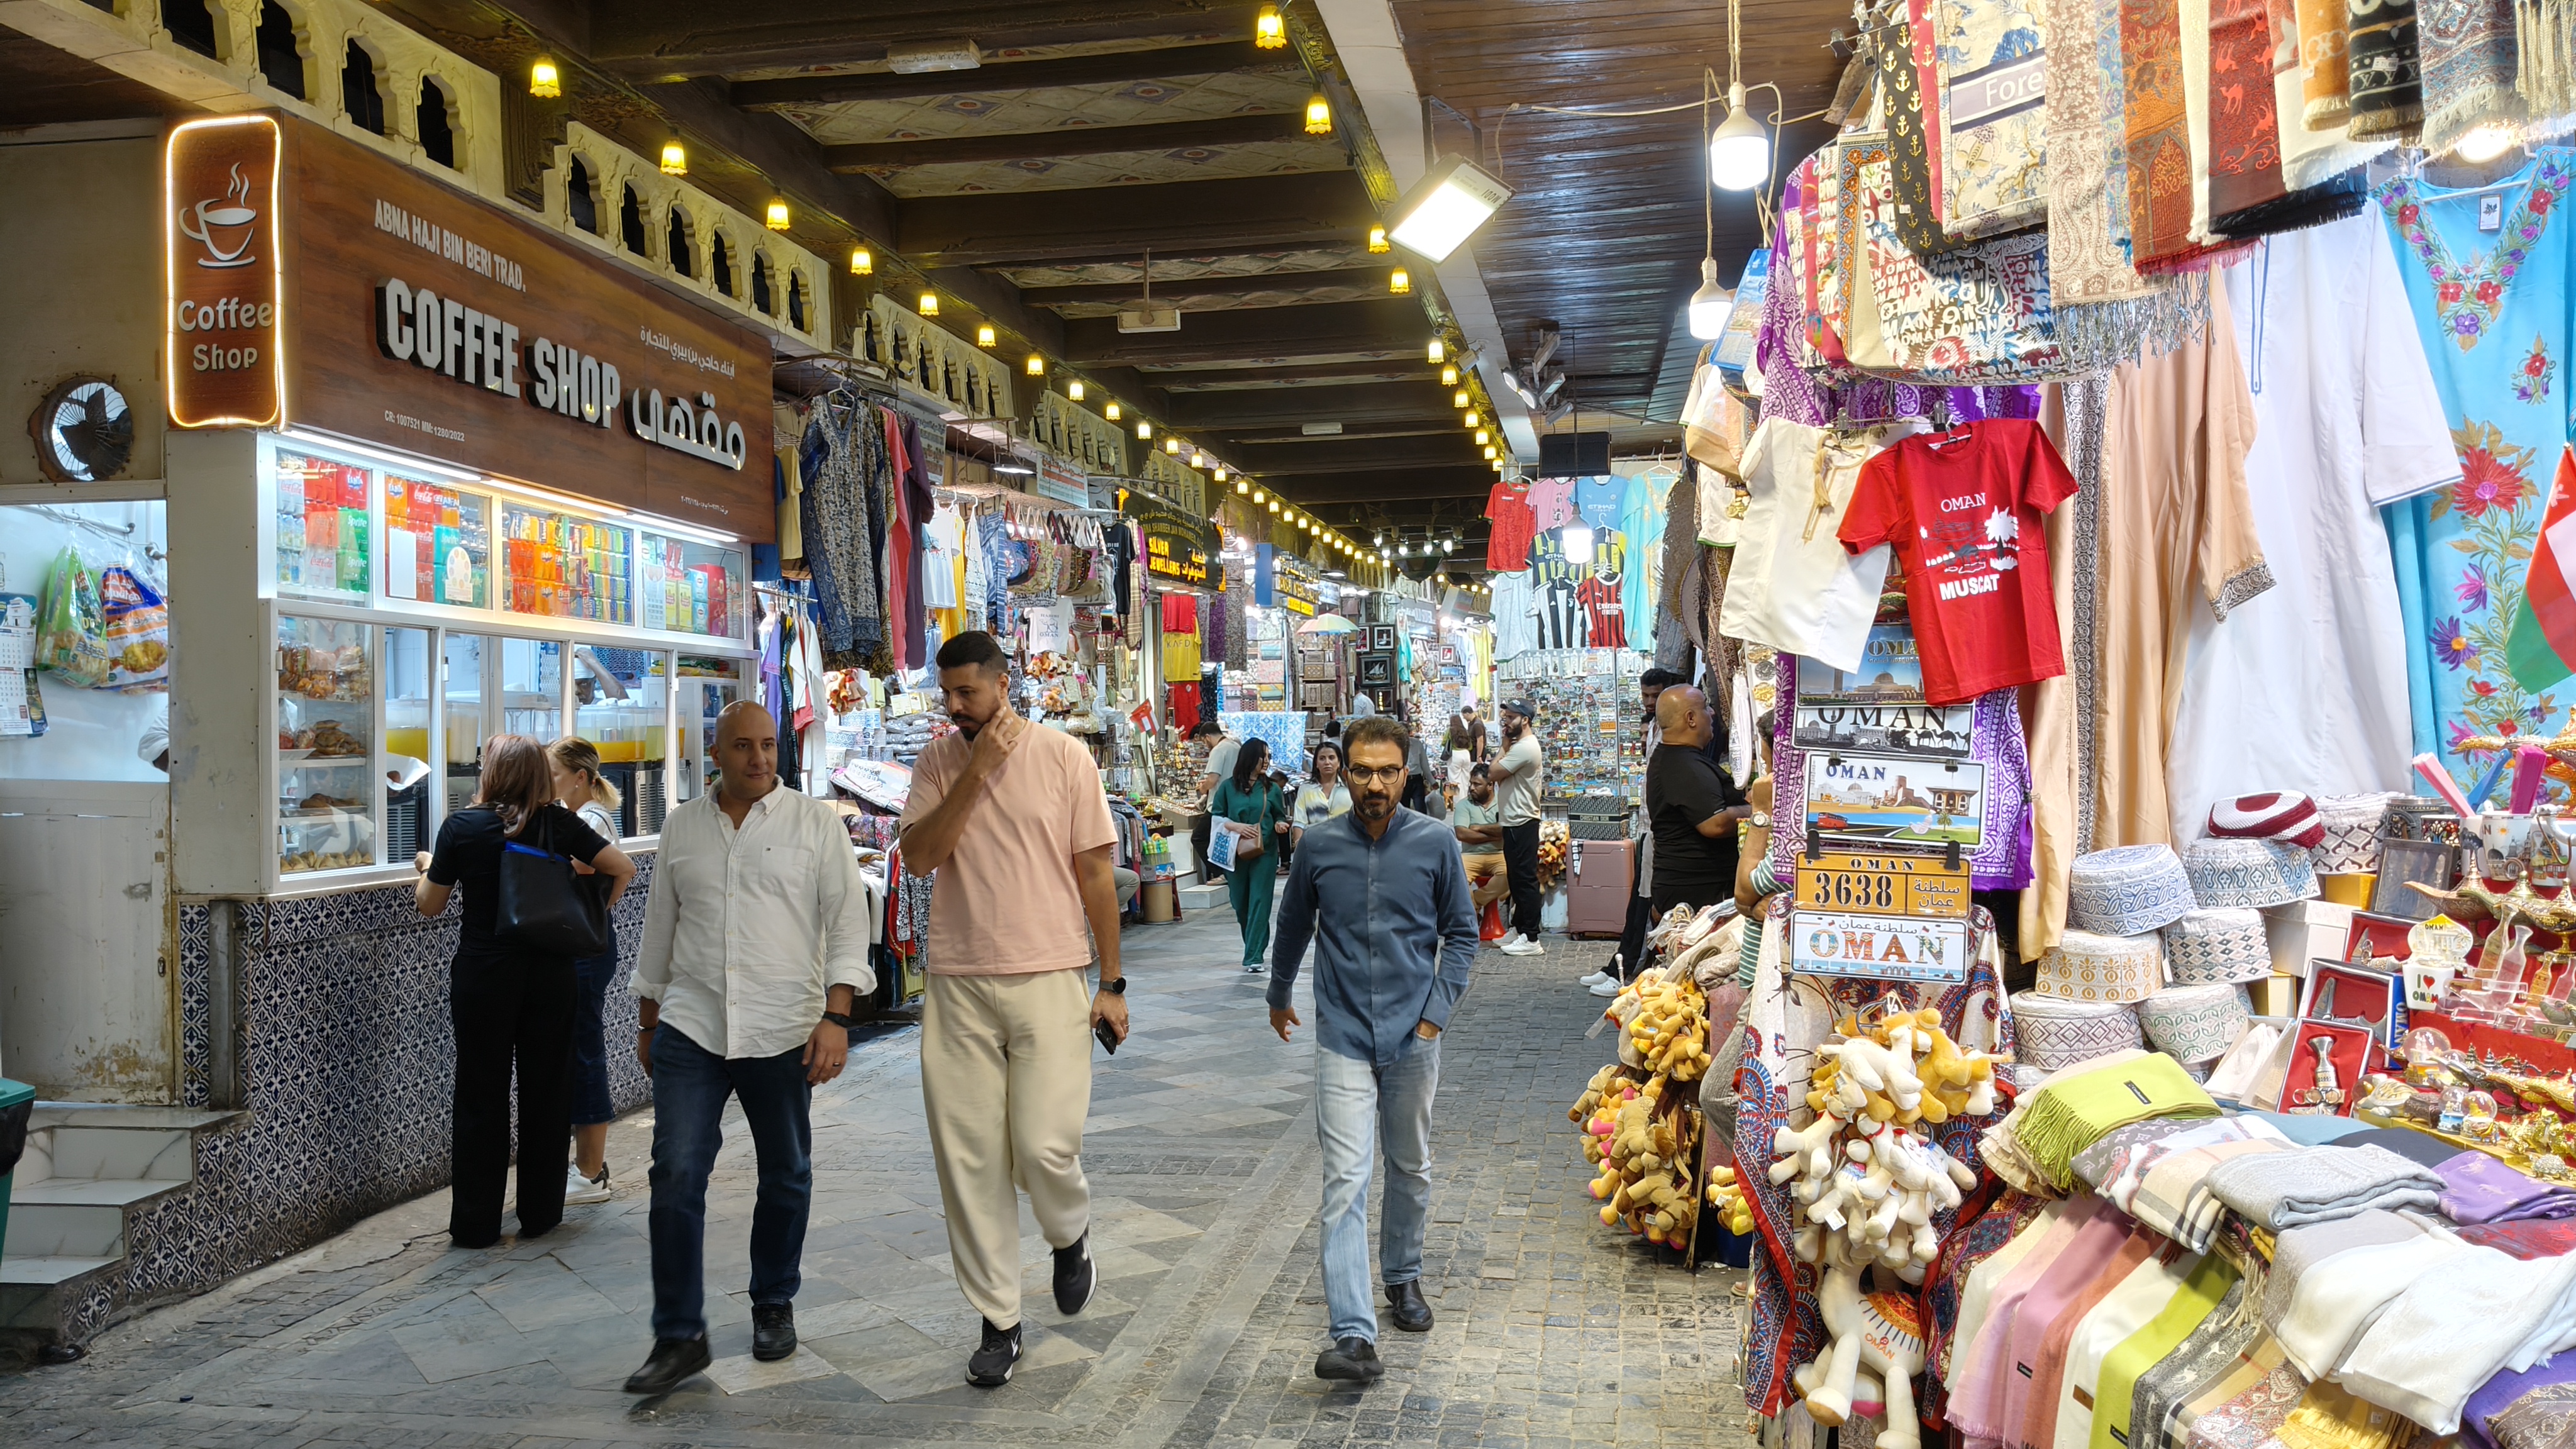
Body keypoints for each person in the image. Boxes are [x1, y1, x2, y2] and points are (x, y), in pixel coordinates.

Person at [621, 702, 875, 1394]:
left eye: (768, 744)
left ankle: (773, 1302)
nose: (759, 758)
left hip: (783, 1027)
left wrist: (837, 1017)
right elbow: (659, 930)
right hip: (692, 1026)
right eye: (743, 746)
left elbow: (849, 924)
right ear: (716, 751)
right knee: (674, 1174)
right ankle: (678, 1334)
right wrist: (647, 1021)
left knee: (786, 1172)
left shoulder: (814, 824)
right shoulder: (682, 827)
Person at [897, 630, 1128, 1389]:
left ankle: (1068, 1233)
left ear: (1004, 684)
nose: (956, 707)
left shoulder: (1065, 757)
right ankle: (999, 1319)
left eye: (968, 692)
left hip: (1051, 973)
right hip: (958, 983)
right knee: (969, 1163)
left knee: (1042, 1146)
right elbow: (923, 856)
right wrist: (975, 770)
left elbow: (1096, 873)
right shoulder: (937, 759)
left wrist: (1112, 983)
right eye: (948, 694)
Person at [1269, 715, 1478, 1384]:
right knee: (1345, 1179)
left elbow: (1462, 935)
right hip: (1342, 1035)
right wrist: (1278, 992)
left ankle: (1403, 1276)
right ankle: (1353, 1335)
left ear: (1406, 774)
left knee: (1409, 1166)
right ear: (1343, 772)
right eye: (1362, 771)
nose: (1375, 784)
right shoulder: (1319, 846)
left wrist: (1433, 1018)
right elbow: (1296, 921)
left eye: (1388, 771)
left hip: (1412, 1034)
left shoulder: (1435, 843)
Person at [413, 735, 635, 1251]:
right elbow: (622, 868)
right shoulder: (557, 824)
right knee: (548, 1091)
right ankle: (539, 1215)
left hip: (485, 977)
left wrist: (427, 869)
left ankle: (475, 1224)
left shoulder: (462, 828)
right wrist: (589, 917)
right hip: (551, 977)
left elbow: (430, 905)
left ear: (490, 774)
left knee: (480, 1095)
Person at [547, 736, 626, 1206]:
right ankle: (588, 1167)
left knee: (584, 1053)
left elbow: (619, 870)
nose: (549, 784)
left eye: (555, 775)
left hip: (584, 951)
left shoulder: (589, 819)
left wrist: (599, 916)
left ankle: (591, 1172)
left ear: (579, 777)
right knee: (579, 1051)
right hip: (585, 946)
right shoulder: (586, 816)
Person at [1598, 667, 1689, 996]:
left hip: (1662, 829)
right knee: (1639, 901)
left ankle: (1632, 970)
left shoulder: (1671, 731)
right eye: (1646, 696)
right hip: (1649, 826)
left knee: (1649, 903)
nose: (1650, 702)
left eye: (1656, 696)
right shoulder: (1652, 728)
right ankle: (1623, 966)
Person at [1644, 687, 1753, 923]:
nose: (1712, 713)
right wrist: (1758, 810)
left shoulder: (1680, 759)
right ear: (1691, 719)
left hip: (1694, 889)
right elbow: (1715, 824)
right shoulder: (1682, 765)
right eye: (1705, 707)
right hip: (1695, 895)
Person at [1209, 737, 1291, 973]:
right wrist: (1236, 827)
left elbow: (1279, 815)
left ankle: (1254, 955)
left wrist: (1279, 824)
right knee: (1240, 902)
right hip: (1235, 852)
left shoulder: (1271, 788)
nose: (1266, 761)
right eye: (1261, 757)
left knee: (1260, 901)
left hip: (1264, 852)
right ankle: (1254, 944)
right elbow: (1217, 817)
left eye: (1268, 757)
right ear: (1249, 758)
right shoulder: (1227, 787)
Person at [1490, 699, 1546, 956]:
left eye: (1511, 717)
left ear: (1525, 720)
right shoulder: (1521, 746)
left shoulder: (1524, 748)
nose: (1506, 722)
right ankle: (1519, 927)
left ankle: (1531, 937)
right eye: (1505, 716)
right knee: (1516, 878)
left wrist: (1502, 747)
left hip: (1523, 820)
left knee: (1525, 879)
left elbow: (1492, 772)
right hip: (1514, 819)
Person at [1735, 711, 1781, 987]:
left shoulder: (1798, 831)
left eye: (1768, 764)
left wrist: (1762, 810)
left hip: (1771, 982)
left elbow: (1743, 891)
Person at [1450, 763, 1510, 913]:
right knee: (1455, 878)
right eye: (1471, 784)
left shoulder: (1503, 803)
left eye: (1477, 784)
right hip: (1470, 856)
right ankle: (1472, 909)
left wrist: (1478, 828)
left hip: (1498, 854)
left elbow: (1506, 829)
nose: (1471, 788)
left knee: (1511, 874)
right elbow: (1462, 834)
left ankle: (1474, 904)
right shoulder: (1464, 805)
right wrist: (1494, 835)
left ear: (1490, 785)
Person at [1188, 719, 1241, 886]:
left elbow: (1213, 779)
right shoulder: (1236, 747)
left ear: (1208, 737)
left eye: (1204, 741)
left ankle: (1221, 873)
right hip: (1234, 801)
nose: (1205, 745)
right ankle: (1228, 872)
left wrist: (1202, 790)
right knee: (1224, 839)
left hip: (1218, 805)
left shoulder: (1218, 750)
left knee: (1199, 838)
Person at [1292, 740, 1352, 850]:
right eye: (1322, 758)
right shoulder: (1306, 789)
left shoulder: (1350, 789)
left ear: (1339, 763)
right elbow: (1299, 822)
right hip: (1314, 847)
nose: (1327, 762)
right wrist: (1298, 848)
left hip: (1345, 847)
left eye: (1332, 758)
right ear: (1316, 764)